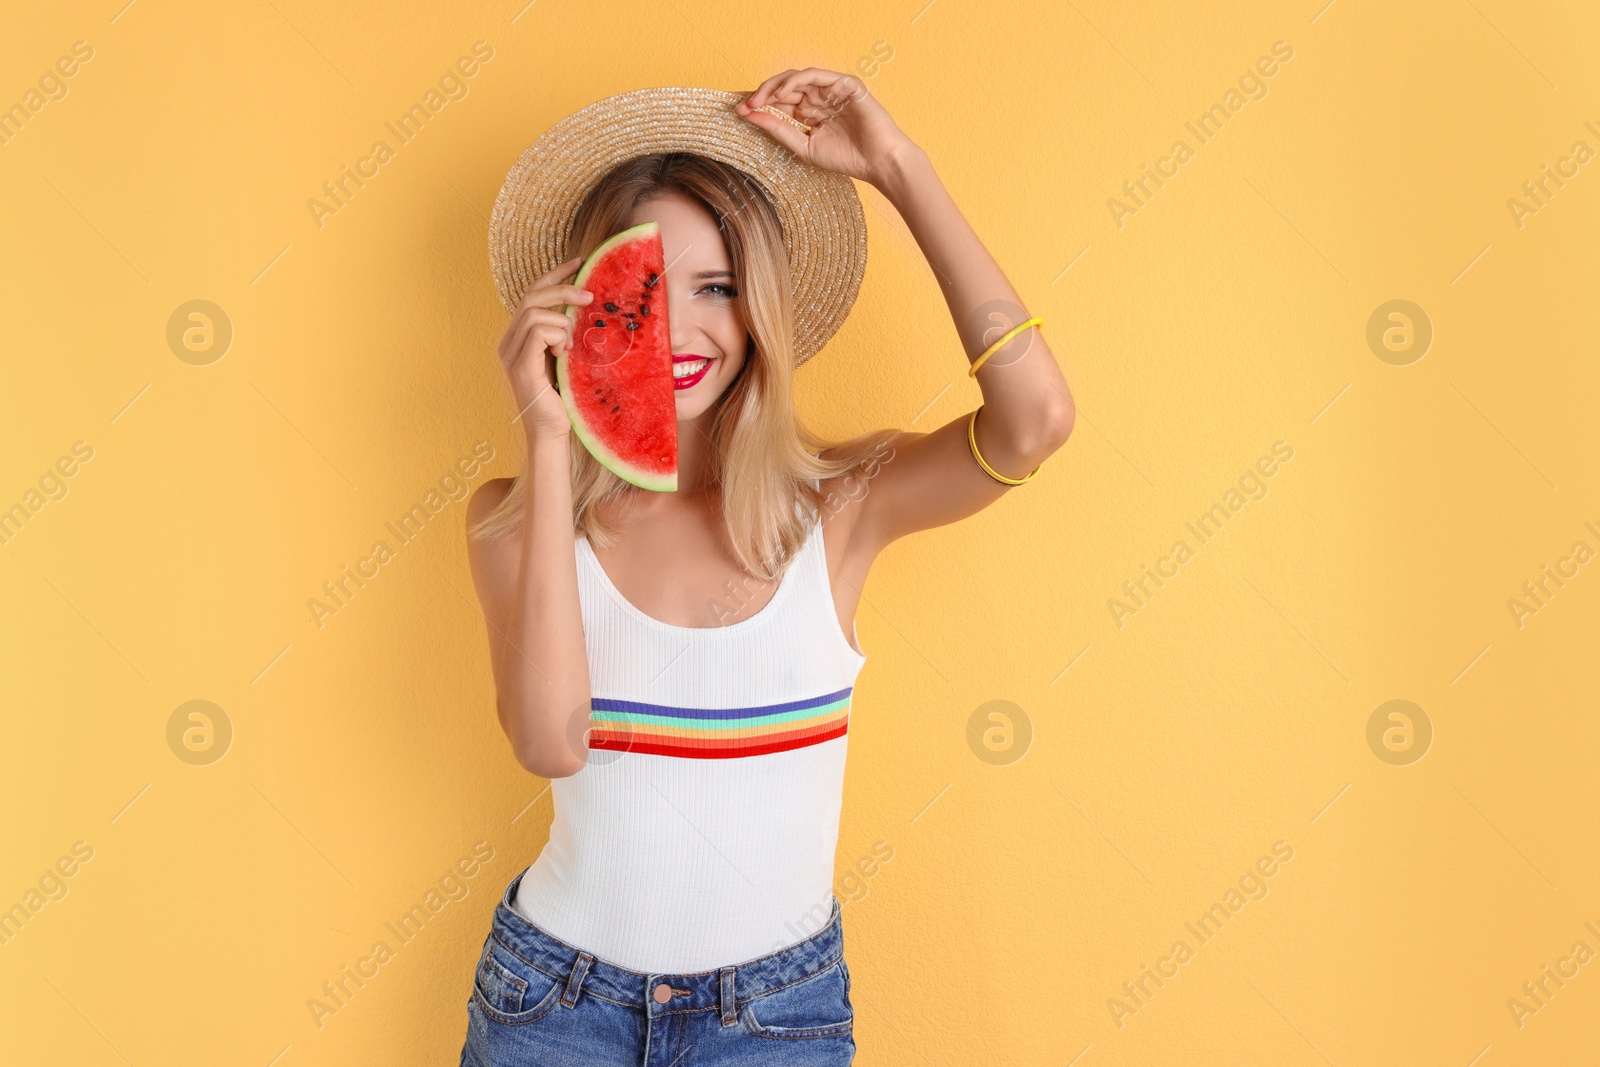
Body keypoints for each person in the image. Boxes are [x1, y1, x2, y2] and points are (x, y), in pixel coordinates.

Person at [459, 69, 1075, 1066]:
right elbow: (549, 741)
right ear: (583, 307)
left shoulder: (842, 505)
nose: (683, 331)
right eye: (643, 293)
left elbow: (1034, 420)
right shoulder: (511, 520)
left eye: (719, 287)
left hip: (773, 1015)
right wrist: (544, 433)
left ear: (760, 310)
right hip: (552, 1005)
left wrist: (896, 167)